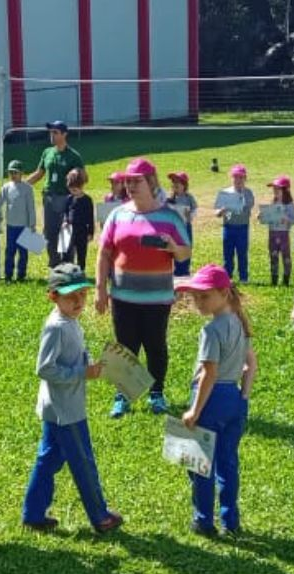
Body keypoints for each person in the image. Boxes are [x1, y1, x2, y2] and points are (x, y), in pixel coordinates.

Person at [22, 263, 125, 534]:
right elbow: (44, 368)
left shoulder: (70, 321)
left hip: (58, 407)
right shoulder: (57, 327)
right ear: (53, 296)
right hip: (66, 410)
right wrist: (82, 372)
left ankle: (33, 514)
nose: (79, 301)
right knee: (83, 463)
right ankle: (100, 517)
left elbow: (72, 354)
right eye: (71, 296)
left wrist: (88, 362)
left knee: (49, 459)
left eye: (83, 294)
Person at [95, 157, 192, 418]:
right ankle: (122, 395)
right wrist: (100, 289)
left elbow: (185, 254)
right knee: (124, 348)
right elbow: (104, 254)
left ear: (151, 182)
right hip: (122, 297)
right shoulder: (117, 214)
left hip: (157, 298)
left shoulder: (169, 217)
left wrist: (173, 247)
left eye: (136, 181)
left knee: (155, 346)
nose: (130, 185)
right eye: (128, 181)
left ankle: (156, 393)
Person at [175, 265, 257, 536]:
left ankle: (204, 520)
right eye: (195, 297)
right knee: (228, 462)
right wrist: (243, 396)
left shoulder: (211, 330)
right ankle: (231, 520)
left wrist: (194, 411)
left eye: (204, 296)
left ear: (223, 293)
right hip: (233, 396)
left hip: (211, 399)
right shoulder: (239, 322)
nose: (198, 302)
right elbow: (251, 364)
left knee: (200, 465)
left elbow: (209, 373)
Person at [26, 120, 85, 267]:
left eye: (55, 132)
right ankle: (54, 263)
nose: (52, 135)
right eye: (50, 132)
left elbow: (82, 177)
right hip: (49, 197)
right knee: (50, 233)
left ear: (64, 134)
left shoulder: (73, 156)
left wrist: (76, 189)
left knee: (65, 231)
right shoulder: (47, 152)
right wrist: (22, 186)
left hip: (66, 198)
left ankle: (67, 263)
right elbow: (39, 173)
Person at [0, 161, 38, 281]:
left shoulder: (27, 188)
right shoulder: (6, 187)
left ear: (21, 173)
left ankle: (21, 274)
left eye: (16, 172)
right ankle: (8, 275)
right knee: (10, 251)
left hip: (24, 226)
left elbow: (31, 207)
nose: (13, 175)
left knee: (23, 252)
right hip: (11, 226)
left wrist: (32, 224)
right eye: (10, 173)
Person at [216, 165, 256, 283]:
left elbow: (249, 206)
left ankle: (243, 277)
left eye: (241, 177)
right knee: (228, 253)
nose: (238, 180)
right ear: (231, 178)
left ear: (245, 178)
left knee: (242, 253)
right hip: (228, 227)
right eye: (236, 177)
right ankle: (227, 277)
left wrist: (241, 196)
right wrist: (221, 211)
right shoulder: (225, 192)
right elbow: (217, 212)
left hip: (242, 227)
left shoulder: (248, 193)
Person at [263, 175, 294, 286]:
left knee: (286, 256)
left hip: (283, 234)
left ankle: (286, 279)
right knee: (273, 255)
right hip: (272, 233)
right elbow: (268, 218)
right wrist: (262, 215)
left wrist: (286, 218)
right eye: (274, 189)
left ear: (285, 190)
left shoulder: (290, 205)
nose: (275, 191)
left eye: (278, 189)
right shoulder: (273, 202)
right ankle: (274, 279)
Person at [62, 168, 95, 269]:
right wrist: (65, 221)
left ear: (81, 186)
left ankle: (81, 272)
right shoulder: (69, 199)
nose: (73, 192)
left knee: (81, 253)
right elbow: (66, 212)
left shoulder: (87, 200)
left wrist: (90, 233)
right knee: (66, 253)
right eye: (71, 190)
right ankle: (67, 271)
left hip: (82, 230)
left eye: (75, 190)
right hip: (68, 229)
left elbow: (90, 218)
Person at [165, 172, 198, 276]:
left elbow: (195, 210)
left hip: (185, 226)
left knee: (186, 247)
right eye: (173, 182)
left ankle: (185, 271)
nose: (175, 185)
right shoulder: (169, 199)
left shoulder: (189, 198)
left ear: (184, 185)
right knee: (175, 248)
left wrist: (190, 215)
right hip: (174, 230)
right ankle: (177, 271)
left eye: (178, 182)